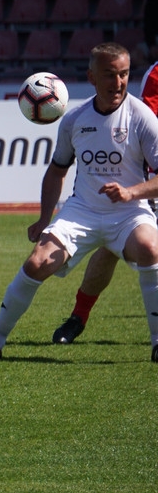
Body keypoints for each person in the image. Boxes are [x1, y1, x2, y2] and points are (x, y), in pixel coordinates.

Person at [0, 43, 158, 363]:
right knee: (37, 263)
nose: (118, 82)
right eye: (109, 75)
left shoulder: (142, 118)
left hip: (128, 213)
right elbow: (56, 171)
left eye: (124, 74)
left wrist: (132, 193)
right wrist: (45, 219)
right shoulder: (75, 120)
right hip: (82, 211)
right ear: (92, 77)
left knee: (151, 249)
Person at [52, 55, 158, 344]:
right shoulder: (156, 74)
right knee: (113, 248)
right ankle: (78, 316)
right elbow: (148, 122)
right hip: (150, 176)